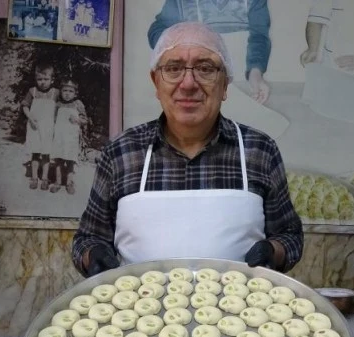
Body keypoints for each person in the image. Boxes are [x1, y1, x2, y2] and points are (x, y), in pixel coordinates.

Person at [72, 21, 303, 277]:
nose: (189, 84)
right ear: (156, 82)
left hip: (239, 303)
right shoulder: (121, 153)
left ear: (225, 85)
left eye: (205, 69)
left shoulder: (260, 151)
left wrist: (273, 250)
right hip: (141, 303)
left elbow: (290, 236)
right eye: (173, 68)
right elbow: (88, 238)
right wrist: (93, 254)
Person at [147, 0, 272, 104]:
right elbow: (157, 30)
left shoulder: (253, 2)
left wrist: (255, 74)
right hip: (197, 78)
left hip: (241, 84)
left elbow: (259, 37)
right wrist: (183, 45)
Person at [22, 64, 59, 190]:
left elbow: (61, 109)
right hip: (34, 126)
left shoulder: (55, 93)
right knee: (35, 152)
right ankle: (34, 177)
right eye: (39, 79)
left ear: (52, 80)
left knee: (46, 153)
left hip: (48, 128)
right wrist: (30, 117)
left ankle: (44, 178)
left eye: (46, 79)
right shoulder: (32, 91)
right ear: (36, 79)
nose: (42, 82)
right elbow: (25, 106)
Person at [51, 79, 86, 195]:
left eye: (71, 91)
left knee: (70, 160)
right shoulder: (58, 104)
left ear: (75, 93)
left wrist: (77, 119)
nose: (67, 93)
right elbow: (53, 120)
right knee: (58, 159)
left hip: (71, 138)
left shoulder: (78, 104)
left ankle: (69, 183)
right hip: (59, 137)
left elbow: (85, 120)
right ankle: (57, 182)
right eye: (65, 90)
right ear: (60, 91)